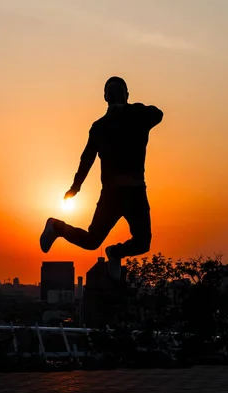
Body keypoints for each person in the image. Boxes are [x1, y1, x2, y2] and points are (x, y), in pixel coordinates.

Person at [39, 76, 163, 279]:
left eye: (119, 91)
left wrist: (128, 110)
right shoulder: (100, 127)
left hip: (136, 193)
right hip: (112, 195)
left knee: (143, 243)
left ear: (127, 95)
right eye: (111, 91)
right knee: (92, 241)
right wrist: (75, 187)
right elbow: (86, 158)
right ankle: (57, 226)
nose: (115, 95)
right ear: (105, 97)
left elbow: (158, 114)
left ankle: (115, 253)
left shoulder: (138, 119)